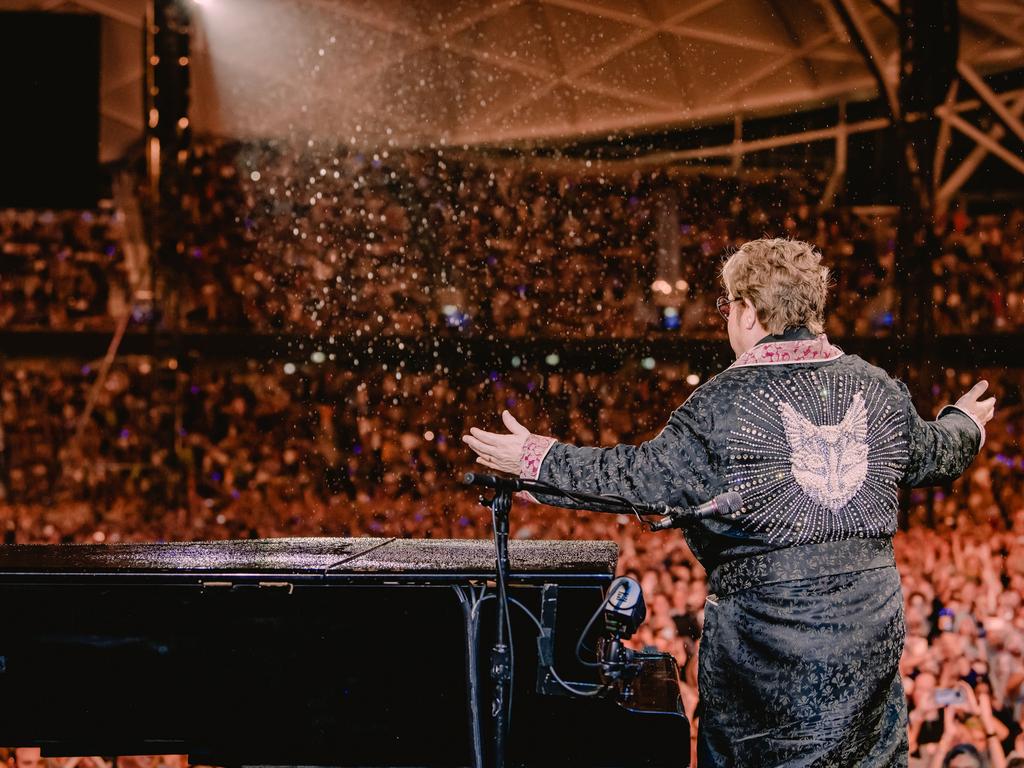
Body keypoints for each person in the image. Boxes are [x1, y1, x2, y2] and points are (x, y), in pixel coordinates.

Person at [462, 238, 996, 766]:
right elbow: (937, 454)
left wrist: (537, 458)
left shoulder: (723, 403)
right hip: (868, 644)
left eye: (727, 306)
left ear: (746, 310)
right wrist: (966, 422)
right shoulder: (876, 388)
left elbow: (636, 478)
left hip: (764, 658)